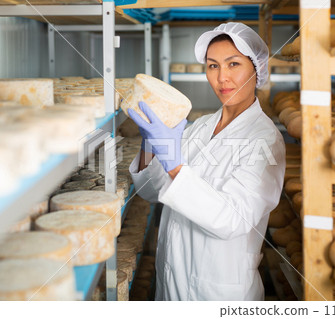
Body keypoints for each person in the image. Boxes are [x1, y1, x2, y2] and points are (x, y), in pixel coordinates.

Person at [128, 22, 285, 301]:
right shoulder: (200, 127)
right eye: (213, 66)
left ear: (257, 69)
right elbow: (151, 192)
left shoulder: (266, 140)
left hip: (218, 291)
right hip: (171, 280)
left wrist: (175, 165)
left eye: (233, 64)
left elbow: (231, 220)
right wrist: (152, 144)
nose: (222, 77)